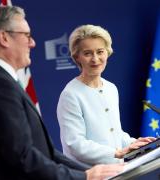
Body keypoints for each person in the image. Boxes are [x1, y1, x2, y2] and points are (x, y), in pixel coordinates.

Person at [0, 5, 125, 180]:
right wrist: (84, 176)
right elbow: (22, 158)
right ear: (3, 37)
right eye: (26, 35)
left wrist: (89, 173)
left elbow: (46, 153)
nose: (32, 42)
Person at [57, 24, 156, 166]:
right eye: (87, 53)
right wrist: (116, 153)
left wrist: (134, 143)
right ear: (77, 57)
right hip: (87, 173)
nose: (95, 59)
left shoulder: (111, 88)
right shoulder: (70, 95)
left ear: (107, 52)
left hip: (116, 170)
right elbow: (75, 144)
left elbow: (114, 134)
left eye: (100, 51)